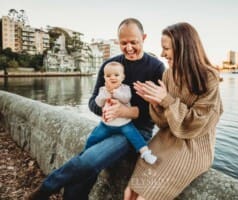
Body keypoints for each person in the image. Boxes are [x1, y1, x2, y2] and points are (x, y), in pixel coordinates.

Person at [25, 18, 165, 200]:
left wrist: (126, 112)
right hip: (109, 125)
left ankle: (45, 189)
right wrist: (106, 109)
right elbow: (92, 103)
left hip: (136, 131)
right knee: (86, 163)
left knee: (89, 161)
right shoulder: (110, 66)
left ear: (144, 38)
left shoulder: (156, 67)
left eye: (134, 42)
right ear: (118, 41)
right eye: (124, 43)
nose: (129, 47)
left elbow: (158, 112)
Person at [124, 22, 223, 200]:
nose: (162, 54)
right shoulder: (168, 75)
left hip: (194, 147)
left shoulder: (209, 77)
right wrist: (155, 103)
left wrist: (167, 101)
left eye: (166, 48)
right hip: (166, 140)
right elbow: (163, 123)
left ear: (183, 48)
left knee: (144, 198)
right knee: (130, 192)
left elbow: (200, 122)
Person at [85, 61, 157, 164]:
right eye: (108, 76)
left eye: (116, 75)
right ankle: (85, 152)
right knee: (93, 137)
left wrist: (114, 92)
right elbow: (98, 103)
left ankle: (146, 153)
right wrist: (105, 94)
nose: (112, 78)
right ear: (104, 78)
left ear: (122, 77)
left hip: (124, 123)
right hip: (106, 124)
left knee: (135, 137)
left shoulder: (125, 88)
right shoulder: (103, 89)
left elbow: (126, 99)